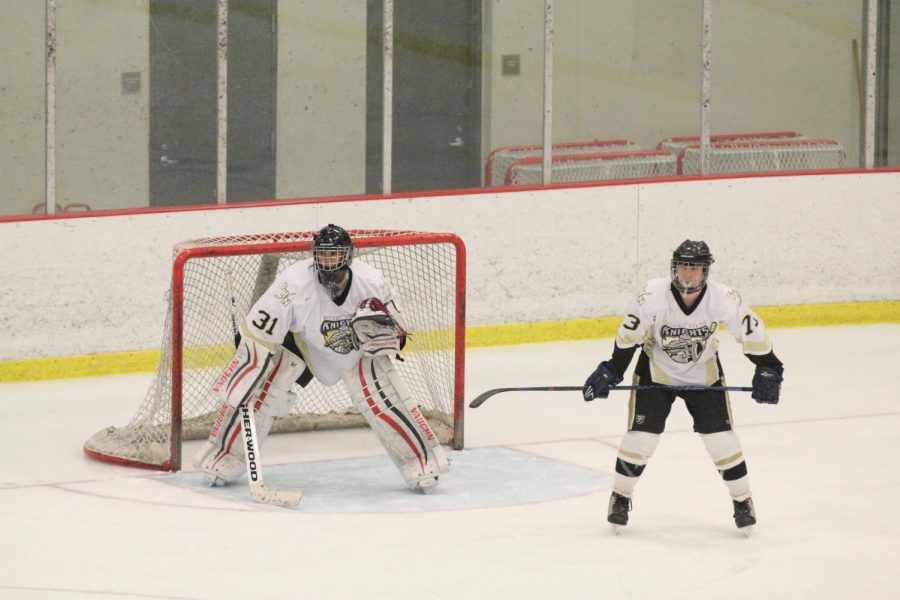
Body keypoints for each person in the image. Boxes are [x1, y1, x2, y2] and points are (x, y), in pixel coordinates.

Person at [195, 224, 449, 492]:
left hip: (356, 350)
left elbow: (399, 333)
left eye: (334, 254)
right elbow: (260, 329)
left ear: (348, 256)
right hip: (303, 346)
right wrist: (249, 357)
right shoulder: (292, 282)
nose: (327, 261)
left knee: (383, 398)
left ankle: (421, 462)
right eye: (322, 254)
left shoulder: (372, 282)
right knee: (260, 393)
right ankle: (224, 456)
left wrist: (385, 335)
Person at [583, 240, 783, 533]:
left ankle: (742, 500)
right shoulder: (651, 295)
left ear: (705, 271)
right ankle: (621, 496)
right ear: (673, 267)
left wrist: (769, 366)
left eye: (695, 268)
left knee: (722, 440)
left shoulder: (723, 297)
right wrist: (612, 369)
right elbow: (629, 337)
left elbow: (751, 331)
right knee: (641, 438)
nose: (688, 274)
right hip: (656, 372)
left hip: (704, 375)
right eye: (683, 266)